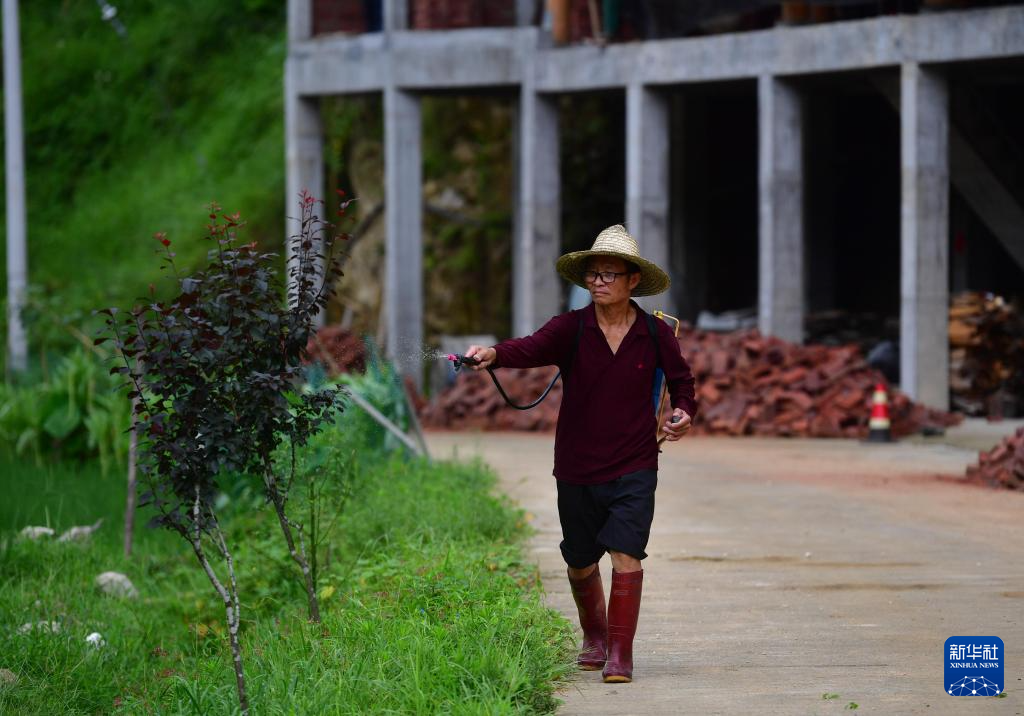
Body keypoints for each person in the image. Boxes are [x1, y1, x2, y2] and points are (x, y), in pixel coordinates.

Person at [465, 224, 697, 683]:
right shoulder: (570, 328)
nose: (598, 282)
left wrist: (684, 413)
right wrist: (491, 353)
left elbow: (683, 384)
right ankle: (593, 635)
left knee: (627, 551)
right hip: (576, 464)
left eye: (609, 274)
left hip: (635, 462)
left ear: (633, 281)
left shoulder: (655, 334)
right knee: (579, 558)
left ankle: (619, 653)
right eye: (592, 274)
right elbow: (526, 348)